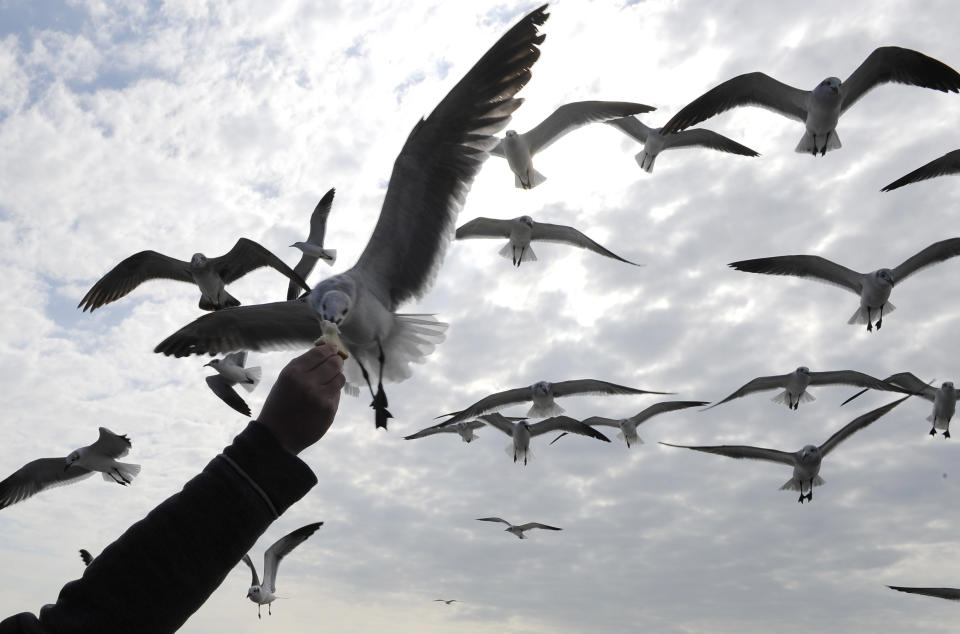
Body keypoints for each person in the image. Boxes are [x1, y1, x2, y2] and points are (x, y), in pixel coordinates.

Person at [0, 343, 345, 634]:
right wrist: (269, 451)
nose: (69, 463)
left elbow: (111, 609)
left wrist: (266, 451)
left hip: (130, 472)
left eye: (73, 459)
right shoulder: (58, 467)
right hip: (238, 482)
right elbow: (111, 610)